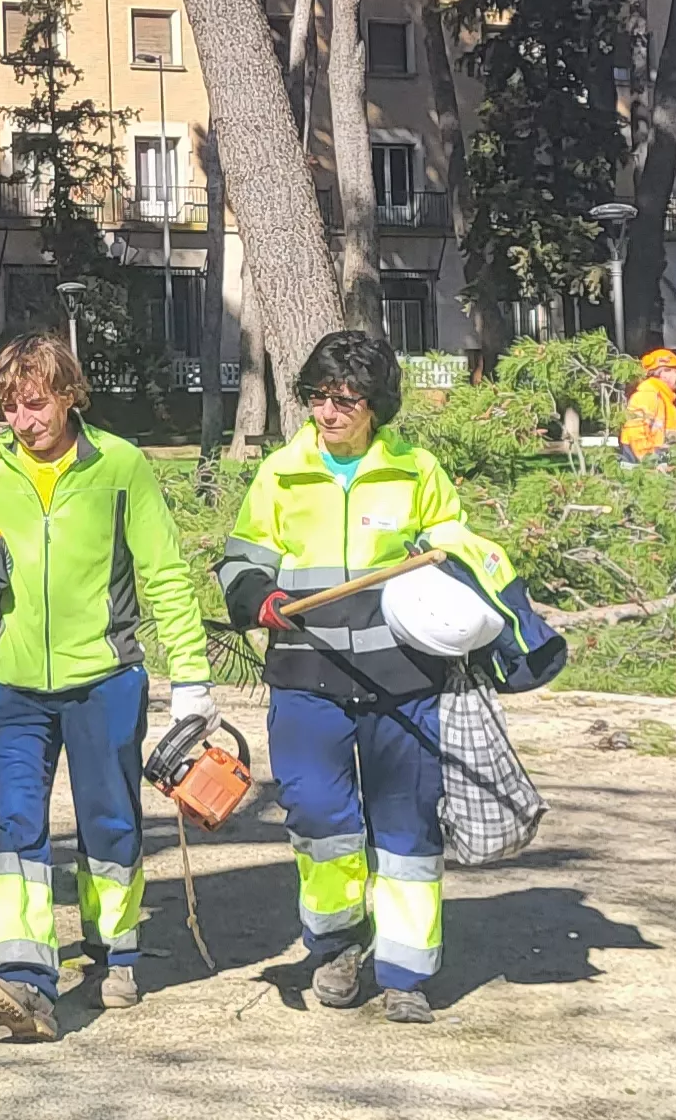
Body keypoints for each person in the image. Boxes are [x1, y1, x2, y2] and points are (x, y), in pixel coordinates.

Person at [0, 335, 216, 1041]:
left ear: (71, 394)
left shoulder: (120, 467)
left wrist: (192, 681)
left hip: (104, 679)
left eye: (37, 403)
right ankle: (22, 977)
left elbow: (165, 575)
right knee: (16, 821)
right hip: (8, 685)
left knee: (109, 821)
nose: (23, 420)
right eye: (11, 407)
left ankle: (114, 950)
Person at [219, 329, 517, 1025]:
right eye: (318, 398)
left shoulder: (417, 471)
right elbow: (239, 559)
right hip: (306, 672)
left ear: (376, 404)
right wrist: (258, 599)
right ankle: (336, 944)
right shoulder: (281, 472)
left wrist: (447, 556)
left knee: (407, 825)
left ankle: (407, 971)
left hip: (404, 678)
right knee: (319, 815)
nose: (328, 413)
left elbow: (462, 548)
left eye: (345, 399)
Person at [619, 348, 676, 464]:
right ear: (663, 373)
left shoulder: (666, 398)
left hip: (663, 466)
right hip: (649, 471)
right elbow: (636, 434)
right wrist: (651, 464)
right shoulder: (647, 396)